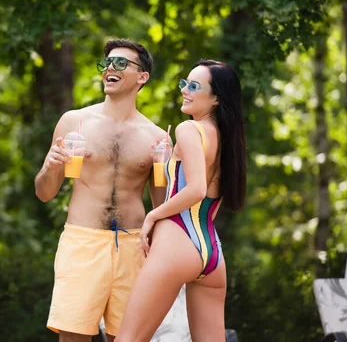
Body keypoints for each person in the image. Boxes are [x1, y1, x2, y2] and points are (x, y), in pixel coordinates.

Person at [35, 39, 169, 342]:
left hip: (135, 246)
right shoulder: (74, 122)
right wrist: (50, 167)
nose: (110, 67)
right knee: (73, 338)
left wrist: (165, 166)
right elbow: (45, 193)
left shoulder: (156, 137)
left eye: (121, 63)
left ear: (142, 77)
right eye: (107, 63)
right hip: (83, 242)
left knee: (129, 337)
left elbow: (161, 206)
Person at [115, 60, 247, 342]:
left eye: (194, 86)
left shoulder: (188, 129)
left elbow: (196, 189)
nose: (185, 90)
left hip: (176, 242)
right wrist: (168, 162)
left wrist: (153, 216)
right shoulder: (227, 138)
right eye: (184, 84)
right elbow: (202, 192)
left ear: (215, 98)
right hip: (211, 252)